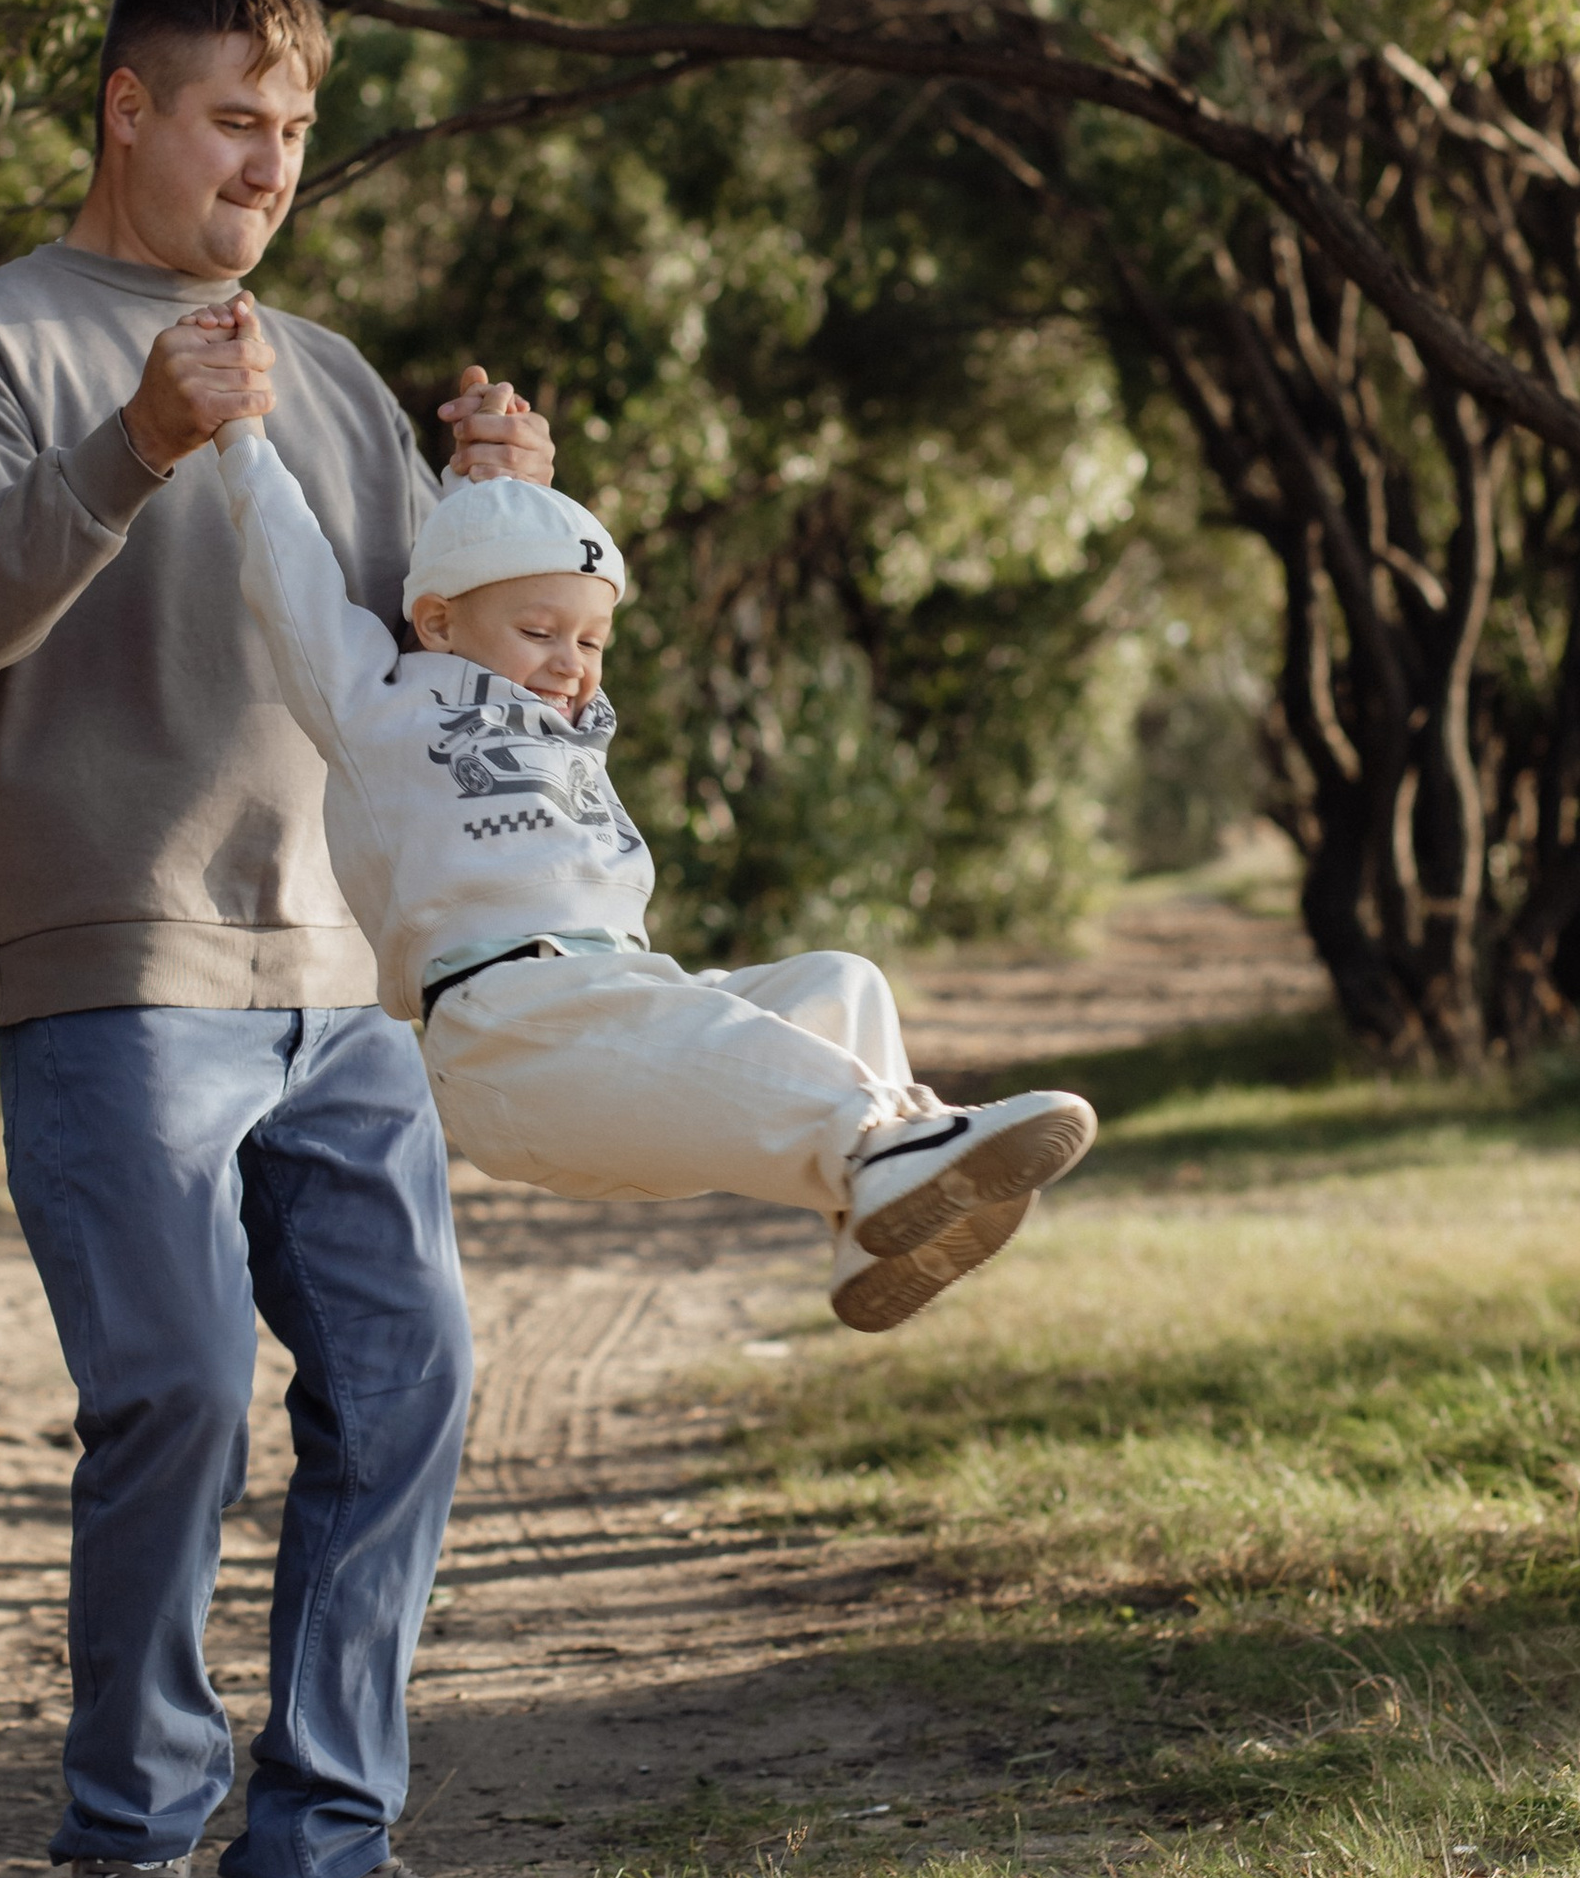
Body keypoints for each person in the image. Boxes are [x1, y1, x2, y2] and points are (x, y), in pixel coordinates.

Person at [0, 0, 569, 1878]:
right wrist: (136, 447)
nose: (265, 167)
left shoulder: (330, 379)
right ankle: (127, 1855)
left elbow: (410, 673)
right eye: (232, 123)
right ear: (126, 112)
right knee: (171, 1392)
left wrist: (497, 527)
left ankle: (320, 1866)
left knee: (409, 1378)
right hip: (111, 969)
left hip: (332, 983)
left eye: (290, 132)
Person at [198, 321, 1097, 1327]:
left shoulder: (561, 721)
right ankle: (888, 1143)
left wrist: (490, 484)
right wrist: (242, 437)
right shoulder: (379, 703)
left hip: (612, 1001)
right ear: (440, 624)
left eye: (590, 639)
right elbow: (295, 587)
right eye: (538, 633)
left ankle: (866, 1216)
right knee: (703, 1020)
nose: (568, 661)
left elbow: (494, 562)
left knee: (841, 983)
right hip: (509, 1036)